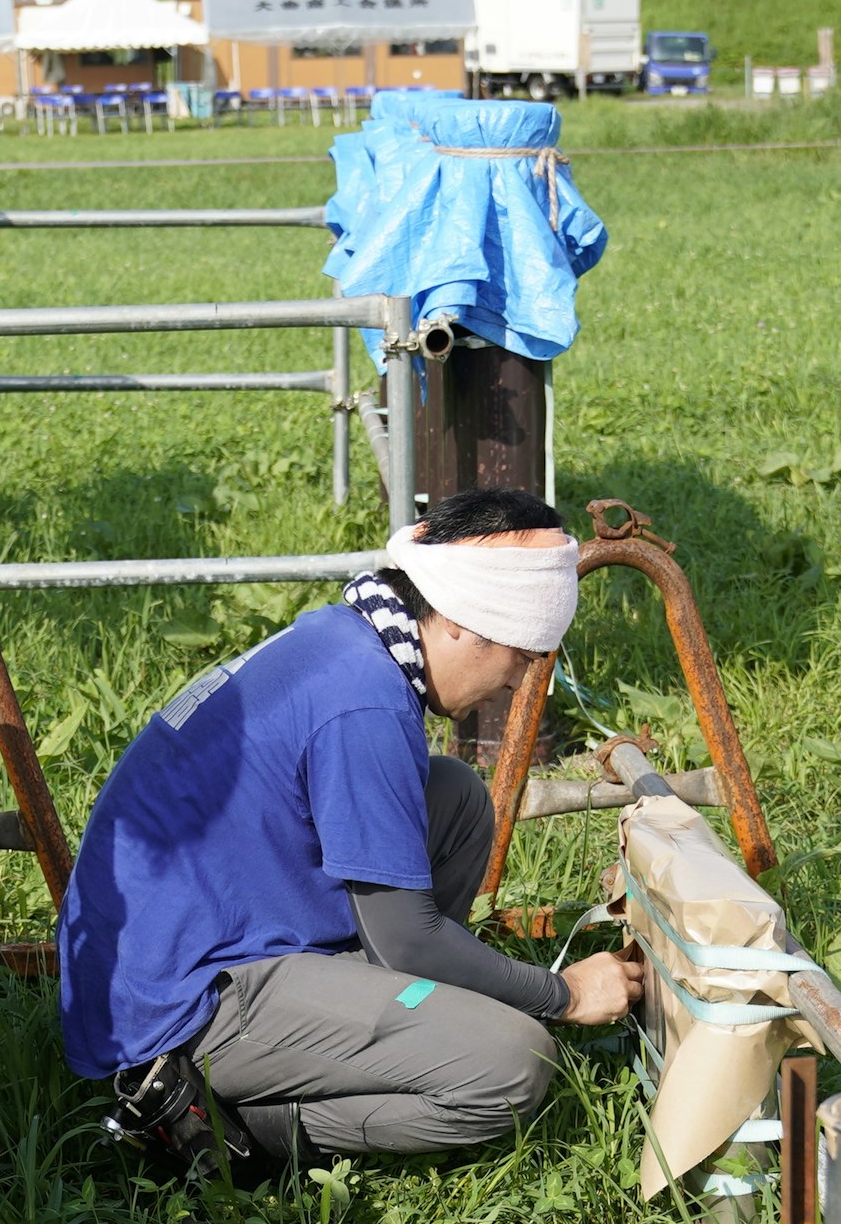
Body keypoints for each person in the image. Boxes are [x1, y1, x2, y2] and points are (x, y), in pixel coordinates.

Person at [63, 487, 646, 1174]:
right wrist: (565, 995)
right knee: (515, 1063)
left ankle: (385, 1020)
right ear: (460, 621)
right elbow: (410, 938)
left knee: (454, 796)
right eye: (522, 656)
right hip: (177, 1006)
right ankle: (211, 1123)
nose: (521, 683)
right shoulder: (363, 706)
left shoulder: (347, 638)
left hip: (187, 935)